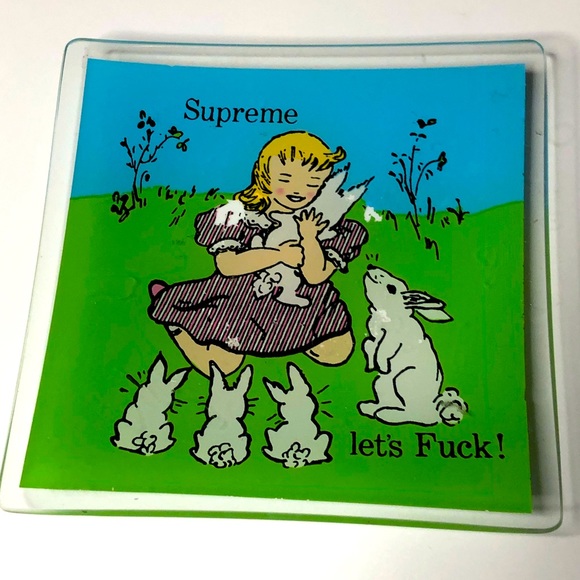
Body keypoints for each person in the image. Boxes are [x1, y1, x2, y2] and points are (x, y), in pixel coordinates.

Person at [148, 131, 368, 376]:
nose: (297, 191)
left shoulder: (326, 224)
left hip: (303, 302)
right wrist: (279, 255)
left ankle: (293, 336)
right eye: (286, 179)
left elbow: (316, 276)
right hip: (241, 300)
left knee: (337, 351)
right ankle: (179, 325)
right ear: (263, 175)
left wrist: (309, 237)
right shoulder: (239, 216)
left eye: (311, 184)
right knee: (221, 366)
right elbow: (228, 266)